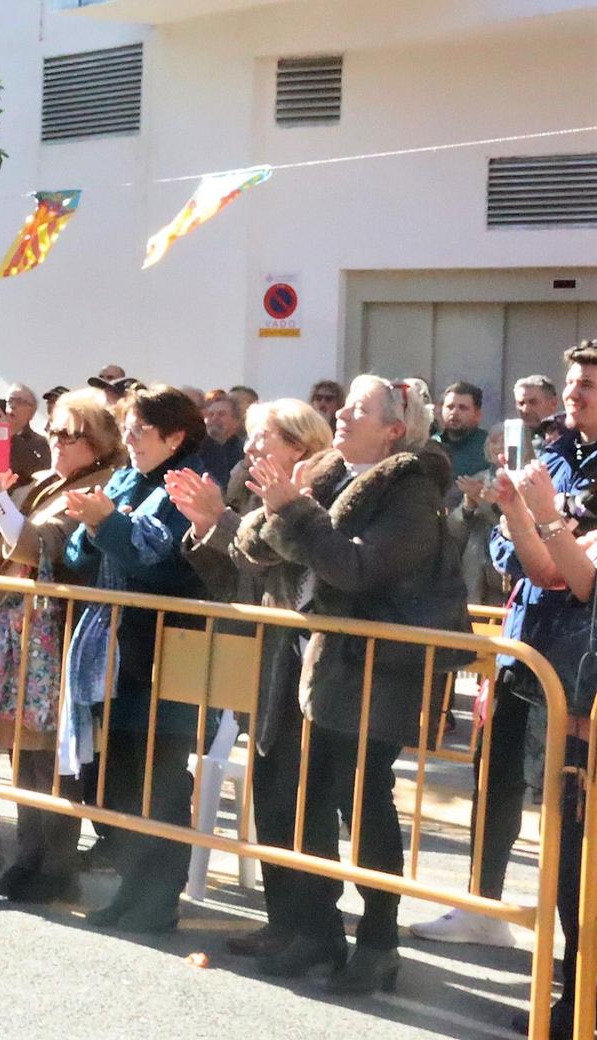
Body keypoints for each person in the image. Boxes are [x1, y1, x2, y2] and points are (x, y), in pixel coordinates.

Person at [241, 374, 464, 995]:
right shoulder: (325, 470)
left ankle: (379, 938)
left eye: (358, 409)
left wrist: (293, 512)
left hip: (376, 666)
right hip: (312, 656)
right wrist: (276, 512)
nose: (339, 416)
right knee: (308, 797)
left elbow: (357, 568)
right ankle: (316, 930)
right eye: (343, 406)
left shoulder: (411, 491)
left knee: (362, 799)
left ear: (395, 429)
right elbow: (258, 544)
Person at [414, 345, 597, 960]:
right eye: (573, 383)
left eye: (590, 386)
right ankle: (482, 905)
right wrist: (530, 530)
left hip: (577, 660)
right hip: (523, 643)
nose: (576, 395)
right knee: (492, 776)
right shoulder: (552, 452)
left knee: (568, 810)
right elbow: (507, 550)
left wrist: (543, 533)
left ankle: (574, 955)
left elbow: (570, 571)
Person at [166, 398, 335, 957]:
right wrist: (207, 527)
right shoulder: (258, 494)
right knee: (271, 794)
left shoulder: (322, 491)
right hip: (267, 658)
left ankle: (315, 929)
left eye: (264, 439)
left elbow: (287, 559)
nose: (251, 448)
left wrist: (224, 522)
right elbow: (237, 578)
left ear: (299, 446)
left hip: (310, 663)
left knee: (303, 797)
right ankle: (282, 920)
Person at [59, 384, 208, 934]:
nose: (130, 438)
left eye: (141, 430)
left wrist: (107, 523)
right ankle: (130, 884)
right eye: (127, 427)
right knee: (111, 777)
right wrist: (91, 521)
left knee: (160, 780)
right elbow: (79, 555)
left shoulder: (189, 485)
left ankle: (158, 895)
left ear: (175, 436)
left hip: (161, 651)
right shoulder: (124, 478)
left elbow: (161, 564)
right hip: (111, 649)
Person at [0, 388, 123, 899]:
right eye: (53, 431)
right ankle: (27, 858)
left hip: (59, 634)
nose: (56, 442)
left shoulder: (98, 485)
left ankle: (52, 868)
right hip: (23, 634)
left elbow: (36, 546)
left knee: (51, 760)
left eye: (68, 435)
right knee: (22, 752)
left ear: (96, 443)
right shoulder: (54, 480)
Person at [486, 455, 594, 1039]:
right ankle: (576, 1001)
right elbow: (556, 575)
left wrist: (548, 515)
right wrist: (519, 514)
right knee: (573, 871)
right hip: (579, 727)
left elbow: (586, 581)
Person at [435, 380, 491, 477]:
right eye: (450, 407)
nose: (454, 412)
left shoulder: (489, 446)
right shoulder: (432, 444)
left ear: (477, 414)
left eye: (463, 408)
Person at [194, 393, 246, 487]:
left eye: (221, 414)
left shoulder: (243, 453)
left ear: (236, 422)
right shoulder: (196, 449)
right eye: (211, 414)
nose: (214, 418)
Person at [0, 383, 47, 481]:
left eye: (20, 402)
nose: (13, 406)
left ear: (32, 412)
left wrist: (11, 437)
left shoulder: (41, 443)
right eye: (10, 401)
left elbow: (37, 472)